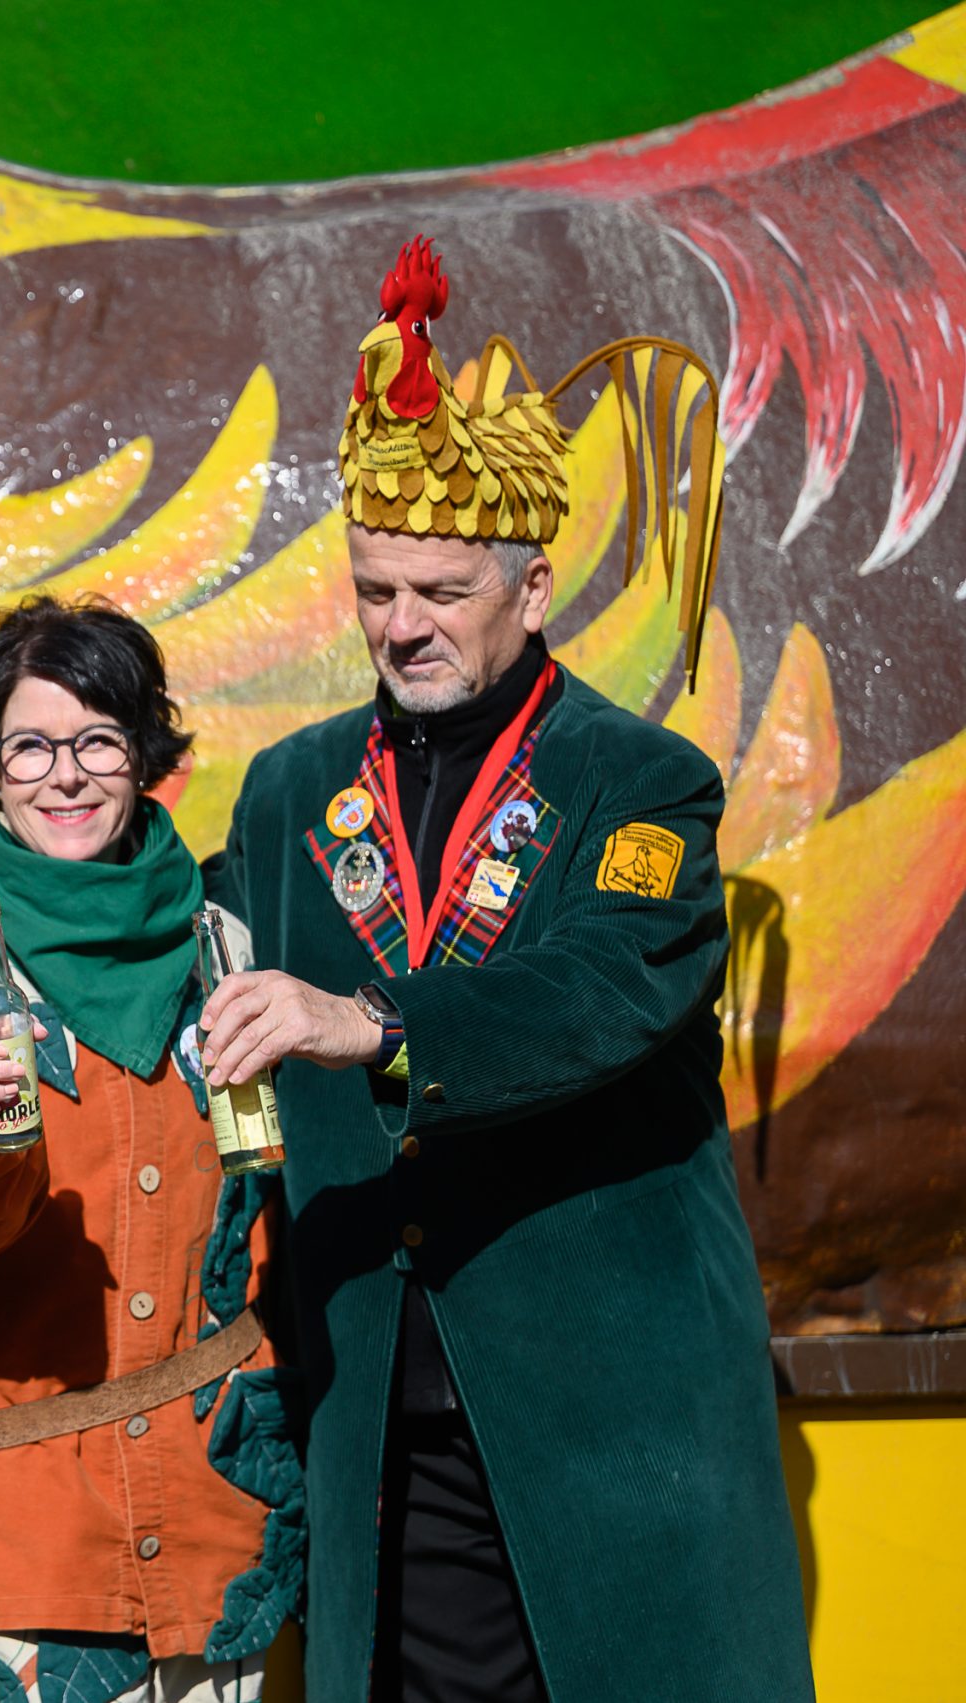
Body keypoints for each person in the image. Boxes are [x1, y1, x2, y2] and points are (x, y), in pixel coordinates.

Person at [196, 239, 812, 1703]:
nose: (400, 623)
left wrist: (367, 1018)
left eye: (439, 587)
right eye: (373, 589)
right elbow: (190, 964)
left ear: (532, 587)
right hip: (374, 1414)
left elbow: (599, 988)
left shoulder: (639, 780)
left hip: (607, 1422)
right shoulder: (287, 790)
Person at [0, 596, 292, 1703]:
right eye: (30, 746)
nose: (66, 775)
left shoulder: (231, 947)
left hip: (221, 1516)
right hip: (25, 1543)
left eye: (98, 739)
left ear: (145, 755)